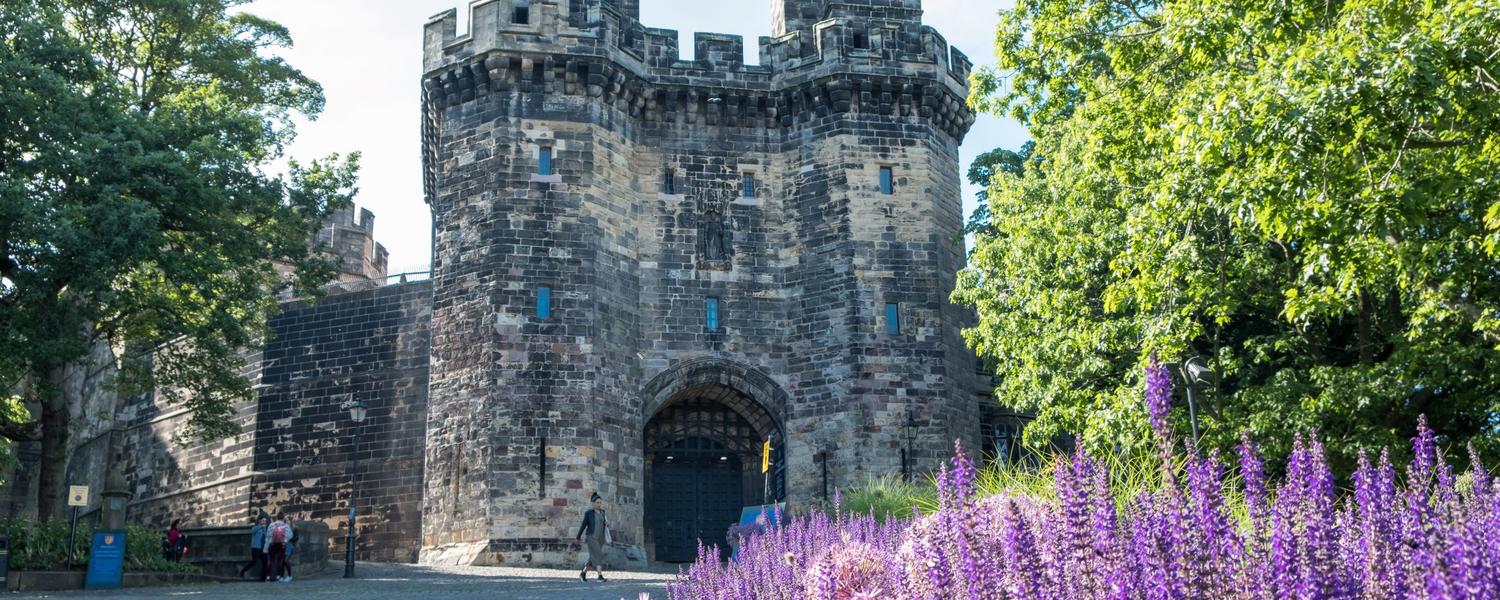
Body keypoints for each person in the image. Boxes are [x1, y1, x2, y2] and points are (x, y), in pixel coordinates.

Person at [574, 492, 609, 582]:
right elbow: (583, 525)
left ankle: (583, 573)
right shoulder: (589, 513)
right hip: (591, 537)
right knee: (598, 555)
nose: (599, 504)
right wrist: (578, 537)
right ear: (593, 503)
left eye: (600, 502)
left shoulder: (603, 512)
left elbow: (604, 525)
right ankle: (600, 576)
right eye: (597, 502)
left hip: (600, 538)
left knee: (593, 557)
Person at [264, 513, 294, 583]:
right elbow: (291, 535)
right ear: (283, 518)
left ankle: (268, 577)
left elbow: (268, 535)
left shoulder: (272, 525)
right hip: (281, 545)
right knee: (280, 561)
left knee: (270, 561)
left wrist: (267, 546)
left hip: (272, 545)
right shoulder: (285, 525)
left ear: (276, 518)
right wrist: (285, 541)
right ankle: (279, 577)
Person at [238, 515, 269, 580]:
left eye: (265, 521)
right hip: (256, 547)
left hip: (262, 548)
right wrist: (261, 526)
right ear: (259, 521)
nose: (264, 522)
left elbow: (265, 537)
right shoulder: (256, 527)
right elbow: (252, 531)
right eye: (263, 520)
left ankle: (263, 578)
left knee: (265, 561)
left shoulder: (265, 528)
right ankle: (242, 572)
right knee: (254, 561)